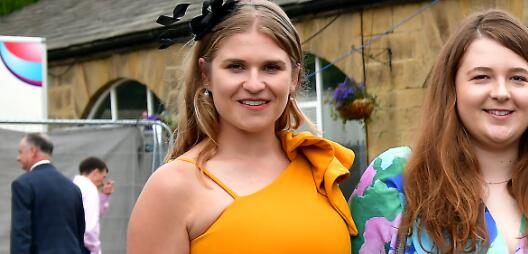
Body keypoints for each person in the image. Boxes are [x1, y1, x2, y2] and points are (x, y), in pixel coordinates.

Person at [347, 10, 528, 254]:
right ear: (452, 88)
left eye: (518, 78)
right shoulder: (395, 179)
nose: (501, 93)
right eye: (481, 77)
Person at [128, 0, 358, 252]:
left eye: (271, 67)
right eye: (236, 67)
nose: (254, 84)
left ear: (294, 77)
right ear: (206, 75)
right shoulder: (172, 187)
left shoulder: (318, 165)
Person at [12, 133, 87, 254]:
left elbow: (21, 233)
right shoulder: (73, 188)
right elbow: (79, 232)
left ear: (33, 151)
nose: (18, 158)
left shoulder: (23, 184)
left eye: (20, 152)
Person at [75, 157, 111, 254]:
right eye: (103, 177)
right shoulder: (90, 189)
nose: (103, 182)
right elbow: (90, 227)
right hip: (84, 247)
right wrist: (96, 250)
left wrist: (104, 196)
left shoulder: (74, 186)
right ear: (95, 173)